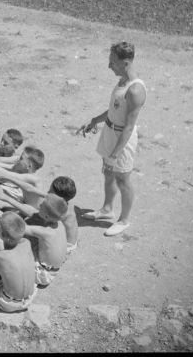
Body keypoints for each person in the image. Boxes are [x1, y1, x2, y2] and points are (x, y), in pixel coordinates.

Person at [76, 41, 147, 237]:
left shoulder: (135, 90)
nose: (109, 66)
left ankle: (124, 220)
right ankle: (107, 209)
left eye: (112, 62)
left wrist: (115, 156)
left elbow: (129, 126)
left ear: (125, 63)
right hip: (109, 131)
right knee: (108, 174)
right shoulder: (122, 81)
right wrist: (95, 121)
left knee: (123, 179)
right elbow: (115, 109)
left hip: (121, 139)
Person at [49, 176, 79, 254]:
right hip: (72, 242)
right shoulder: (68, 203)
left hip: (66, 246)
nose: (47, 192)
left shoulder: (60, 210)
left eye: (50, 192)